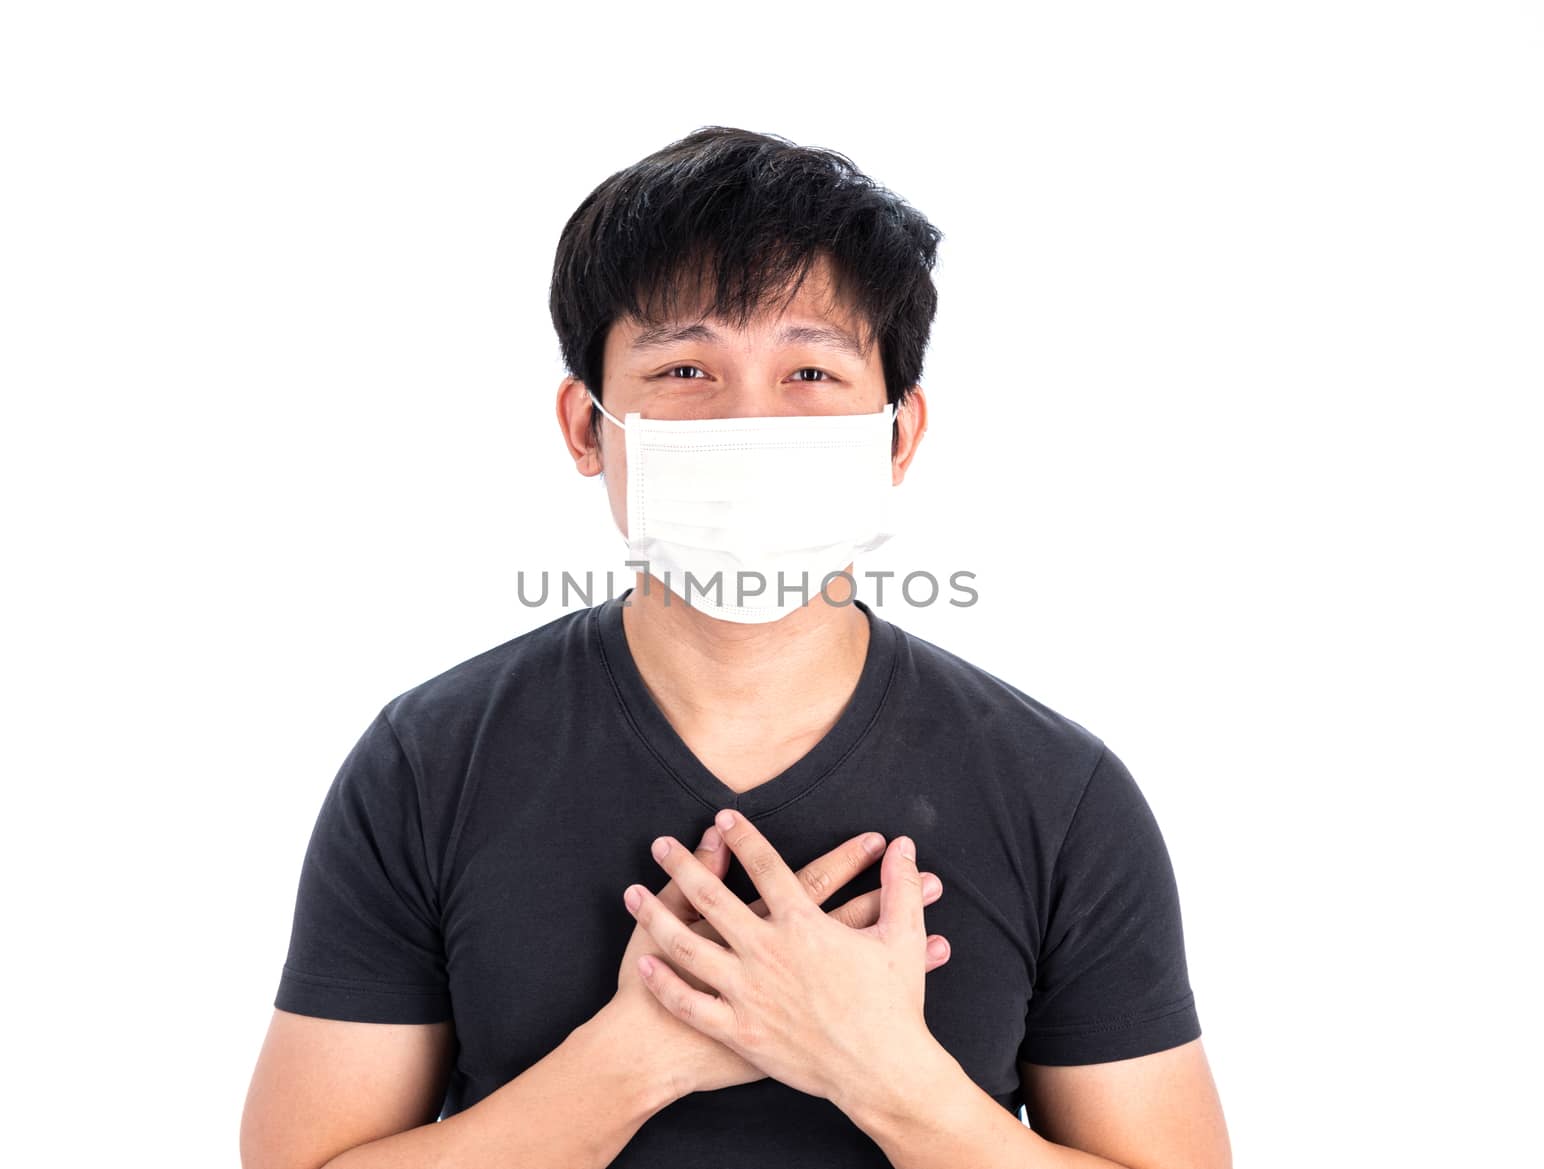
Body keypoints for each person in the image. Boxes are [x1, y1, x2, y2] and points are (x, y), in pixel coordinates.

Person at [241, 126, 1232, 1169]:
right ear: (587, 426)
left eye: (809, 369)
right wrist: (636, 1057)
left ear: (898, 433)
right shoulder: (430, 761)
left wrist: (882, 1072)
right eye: (684, 367)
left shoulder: (1056, 791)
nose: (748, 417)